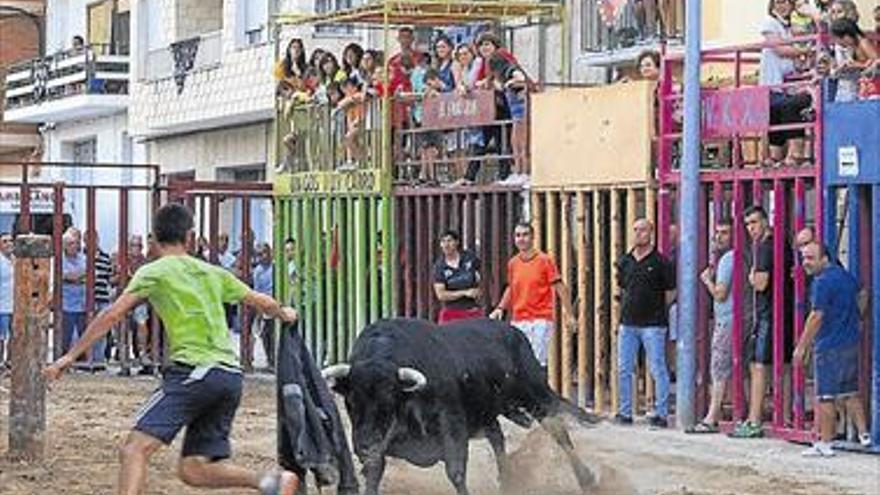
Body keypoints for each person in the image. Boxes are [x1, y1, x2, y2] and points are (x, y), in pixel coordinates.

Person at [43, 204, 300, 495]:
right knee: (193, 468)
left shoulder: (154, 271)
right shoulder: (212, 272)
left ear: (154, 240)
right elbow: (262, 302)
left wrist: (68, 356)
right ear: (190, 237)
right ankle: (270, 482)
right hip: (229, 377)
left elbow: (112, 315)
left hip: (195, 372)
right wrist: (285, 313)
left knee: (134, 449)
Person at [796, 242, 871, 456]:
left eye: (810, 258)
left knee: (825, 396)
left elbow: (816, 316)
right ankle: (865, 436)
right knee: (850, 392)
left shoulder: (821, 282)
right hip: (850, 342)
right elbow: (863, 293)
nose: (805, 263)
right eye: (804, 257)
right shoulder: (844, 276)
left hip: (828, 345)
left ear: (824, 258)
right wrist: (858, 317)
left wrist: (802, 346)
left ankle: (825, 443)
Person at [730, 205, 794, 438]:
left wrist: (750, 275)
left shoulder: (766, 247)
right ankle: (786, 417)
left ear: (766, 221)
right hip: (786, 311)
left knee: (758, 365)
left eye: (754, 222)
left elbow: (760, 283)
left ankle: (754, 419)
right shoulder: (781, 242)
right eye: (747, 224)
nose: (751, 229)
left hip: (769, 313)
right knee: (784, 365)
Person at [614, 219, 676, 428]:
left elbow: (671, 292)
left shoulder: (660, 262)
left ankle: (661, 414)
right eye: (635, 230)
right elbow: (622, 287)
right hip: (628, 323)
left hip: (653, 324)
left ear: (651, 233)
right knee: (624, 368)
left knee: (657, 368)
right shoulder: (625, 261)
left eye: (643, 230)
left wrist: (657, 309)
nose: (639, 233)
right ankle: (624, 413)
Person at [489, 222, 577, 367]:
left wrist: (569, 314)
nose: (521, 239)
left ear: (533, 237)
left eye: (525, 235)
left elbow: (560, 287)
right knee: (518, 362)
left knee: (536, 362)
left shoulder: (544, 260)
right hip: (519, 318)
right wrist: (500, 308)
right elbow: (511, 287)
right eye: (518, 235)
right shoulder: (513, 263)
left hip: (540, 319)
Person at [689, 218, 735, 433]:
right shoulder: (742, 256)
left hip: (727, 319)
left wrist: (706, 280)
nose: (718, 237)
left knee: (719, 368)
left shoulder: (728, 259)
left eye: (724, 232)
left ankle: (712, 416)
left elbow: (720, 293)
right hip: (739, 318)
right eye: (717, 232)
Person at [760, 0, 813, 167]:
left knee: (788, 106)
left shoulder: (792, 27)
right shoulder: (770, 23)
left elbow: (797, 58)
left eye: (786, 2)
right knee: (775, 110)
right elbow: (780, 49)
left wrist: (803, 55)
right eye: (778, 2)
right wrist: (805, 50)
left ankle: (792, 154)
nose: (782, 6)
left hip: (790, 83)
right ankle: (778, 155)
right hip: (773, 81)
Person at [433, 230, 482, 323]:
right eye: (443, 241)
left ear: (457, 242)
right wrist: (464, 293)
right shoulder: (439, 267)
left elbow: (482, 273)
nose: (446, 245)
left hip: (472, 309)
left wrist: (480, 288)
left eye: (449, 241)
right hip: (451, 311)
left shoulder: (469, 257)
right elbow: (441, 295)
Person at [829, 18, 879, 102]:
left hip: (873, 87)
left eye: (839, 40)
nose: (839, 43)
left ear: (846, 36)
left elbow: (876, 61)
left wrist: (859, 65)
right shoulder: (853, 46)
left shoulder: (863, 43)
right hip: (863, 87)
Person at [61, 229, 87, 356]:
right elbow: (65, 276)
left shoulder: (83, 258)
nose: (74, 246)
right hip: (66, 303)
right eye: (70, 244)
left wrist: (74, 277)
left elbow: (91, 275)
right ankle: (63, 358)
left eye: (75, 243)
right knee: (66, 336)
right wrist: (80, 275)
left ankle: (82, 361)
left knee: (83, 334)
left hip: (83, 303)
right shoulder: (60, 260)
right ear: (64, 245)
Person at [90, 233, 114, 370]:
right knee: (88, 329)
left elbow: (109, 277)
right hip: (88, 299)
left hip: (102, 296)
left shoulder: (105, 257)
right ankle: (89, 359)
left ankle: (98, 360)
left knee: (102, 330)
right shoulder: (83, 256)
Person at [252, 243, 276, 370]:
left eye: (265, 253)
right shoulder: (258, 271)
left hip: (277, 303)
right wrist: (260, 311)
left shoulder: (276, 267)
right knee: (266, 335)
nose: (263, 257)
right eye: (259, 255)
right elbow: (257, 292)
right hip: (265, 305)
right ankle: (270, 360)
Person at [0, 232, 13, 368]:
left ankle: (9, 362)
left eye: (10, 241)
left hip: (15, 305)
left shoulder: (15, 260)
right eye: (5, 241)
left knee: (15, 336)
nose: (9, 244)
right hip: (2, 306)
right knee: (1, 337)